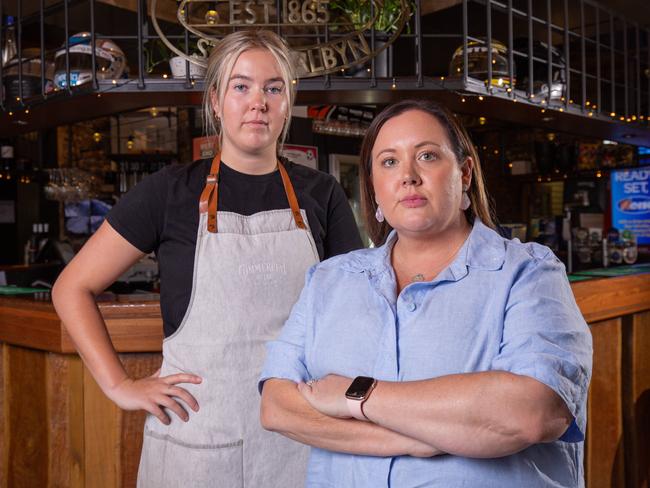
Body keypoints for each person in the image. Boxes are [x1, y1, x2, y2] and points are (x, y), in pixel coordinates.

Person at [52, 30, 362, 487]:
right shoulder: (168, 192)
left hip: (301, 440)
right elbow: (70, 288)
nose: (258, 101)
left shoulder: (322, 194)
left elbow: (356, 311)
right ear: (216, 100)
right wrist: (119, 385)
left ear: (287, 101)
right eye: (241, 86)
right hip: (198, 443)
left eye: (273, 88)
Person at [259, 99, 593, 487]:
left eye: (428, 156)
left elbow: (532, 412)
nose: (409, 176)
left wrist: (356, 394)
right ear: (373, 187)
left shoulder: (529, 273)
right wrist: (417, 437)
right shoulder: (327, 280)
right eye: (389, 162)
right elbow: (277, 407)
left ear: (465, 174)